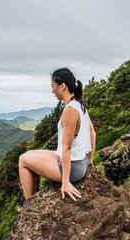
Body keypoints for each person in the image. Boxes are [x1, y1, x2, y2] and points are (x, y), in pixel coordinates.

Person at [18, 67, 96, 202]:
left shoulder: (70, 110)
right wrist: (89, 159)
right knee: (28, 155)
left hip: (72, 168)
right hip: (80, 160)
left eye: (53, 86)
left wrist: (65, 182)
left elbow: (67, 147)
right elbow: (92, 133)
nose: (52, 90)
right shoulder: (79, 104)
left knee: (23, 161)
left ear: (62, 86)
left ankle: (28, 202)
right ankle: (32, 199)